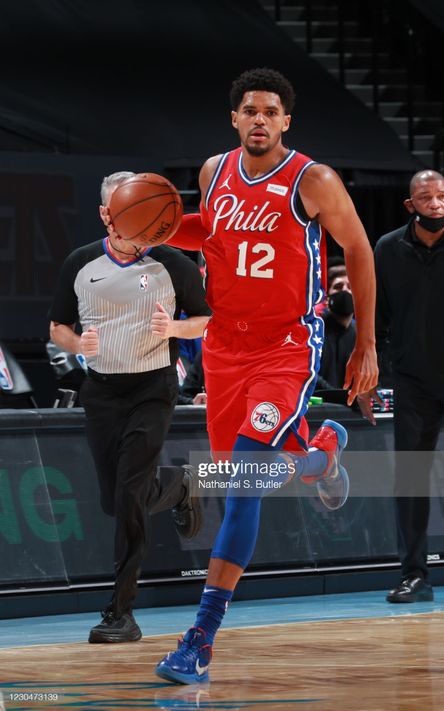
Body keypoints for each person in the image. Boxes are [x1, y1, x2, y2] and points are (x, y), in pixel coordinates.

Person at [107, 68, 378, 682]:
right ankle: (319, 455)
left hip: (287, 347)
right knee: (241, 477)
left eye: (271, 111)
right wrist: (142, 226)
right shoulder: (213, 172)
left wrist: (364, 342)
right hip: (225, 349)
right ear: (235, 119)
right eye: (249, 110)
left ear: (287, 121)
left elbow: (358, 249)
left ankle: (200, 638)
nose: (259, 119)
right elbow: (209, 232)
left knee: (245, 483)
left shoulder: (314, 180)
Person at [49, 171, 211, 643]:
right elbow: (58, 326)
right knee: (113, 500)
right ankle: (180, 486)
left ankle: (120, 613)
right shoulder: (80, 263)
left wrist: (173, 330)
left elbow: (203, 320)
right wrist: (79, 343)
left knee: (128, 498)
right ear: (107, 213)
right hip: (101, 391)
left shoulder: (174, 263)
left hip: (153, 391)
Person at [360, 169, 444, 603]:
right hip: (413, 381)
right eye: (426, 197)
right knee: (411, 479)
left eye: (442, 196)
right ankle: (414, 576)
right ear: (410, 205)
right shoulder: (387, 249)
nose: (435, 203)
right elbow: (375, 318)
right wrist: (368, 377)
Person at [317, 265, 356, 391]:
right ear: (327, 298)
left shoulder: (363, 335)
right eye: (338, 287)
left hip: (351, 407)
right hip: (319, 406)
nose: (345, 291)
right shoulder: (313, 329)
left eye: (351, 287)